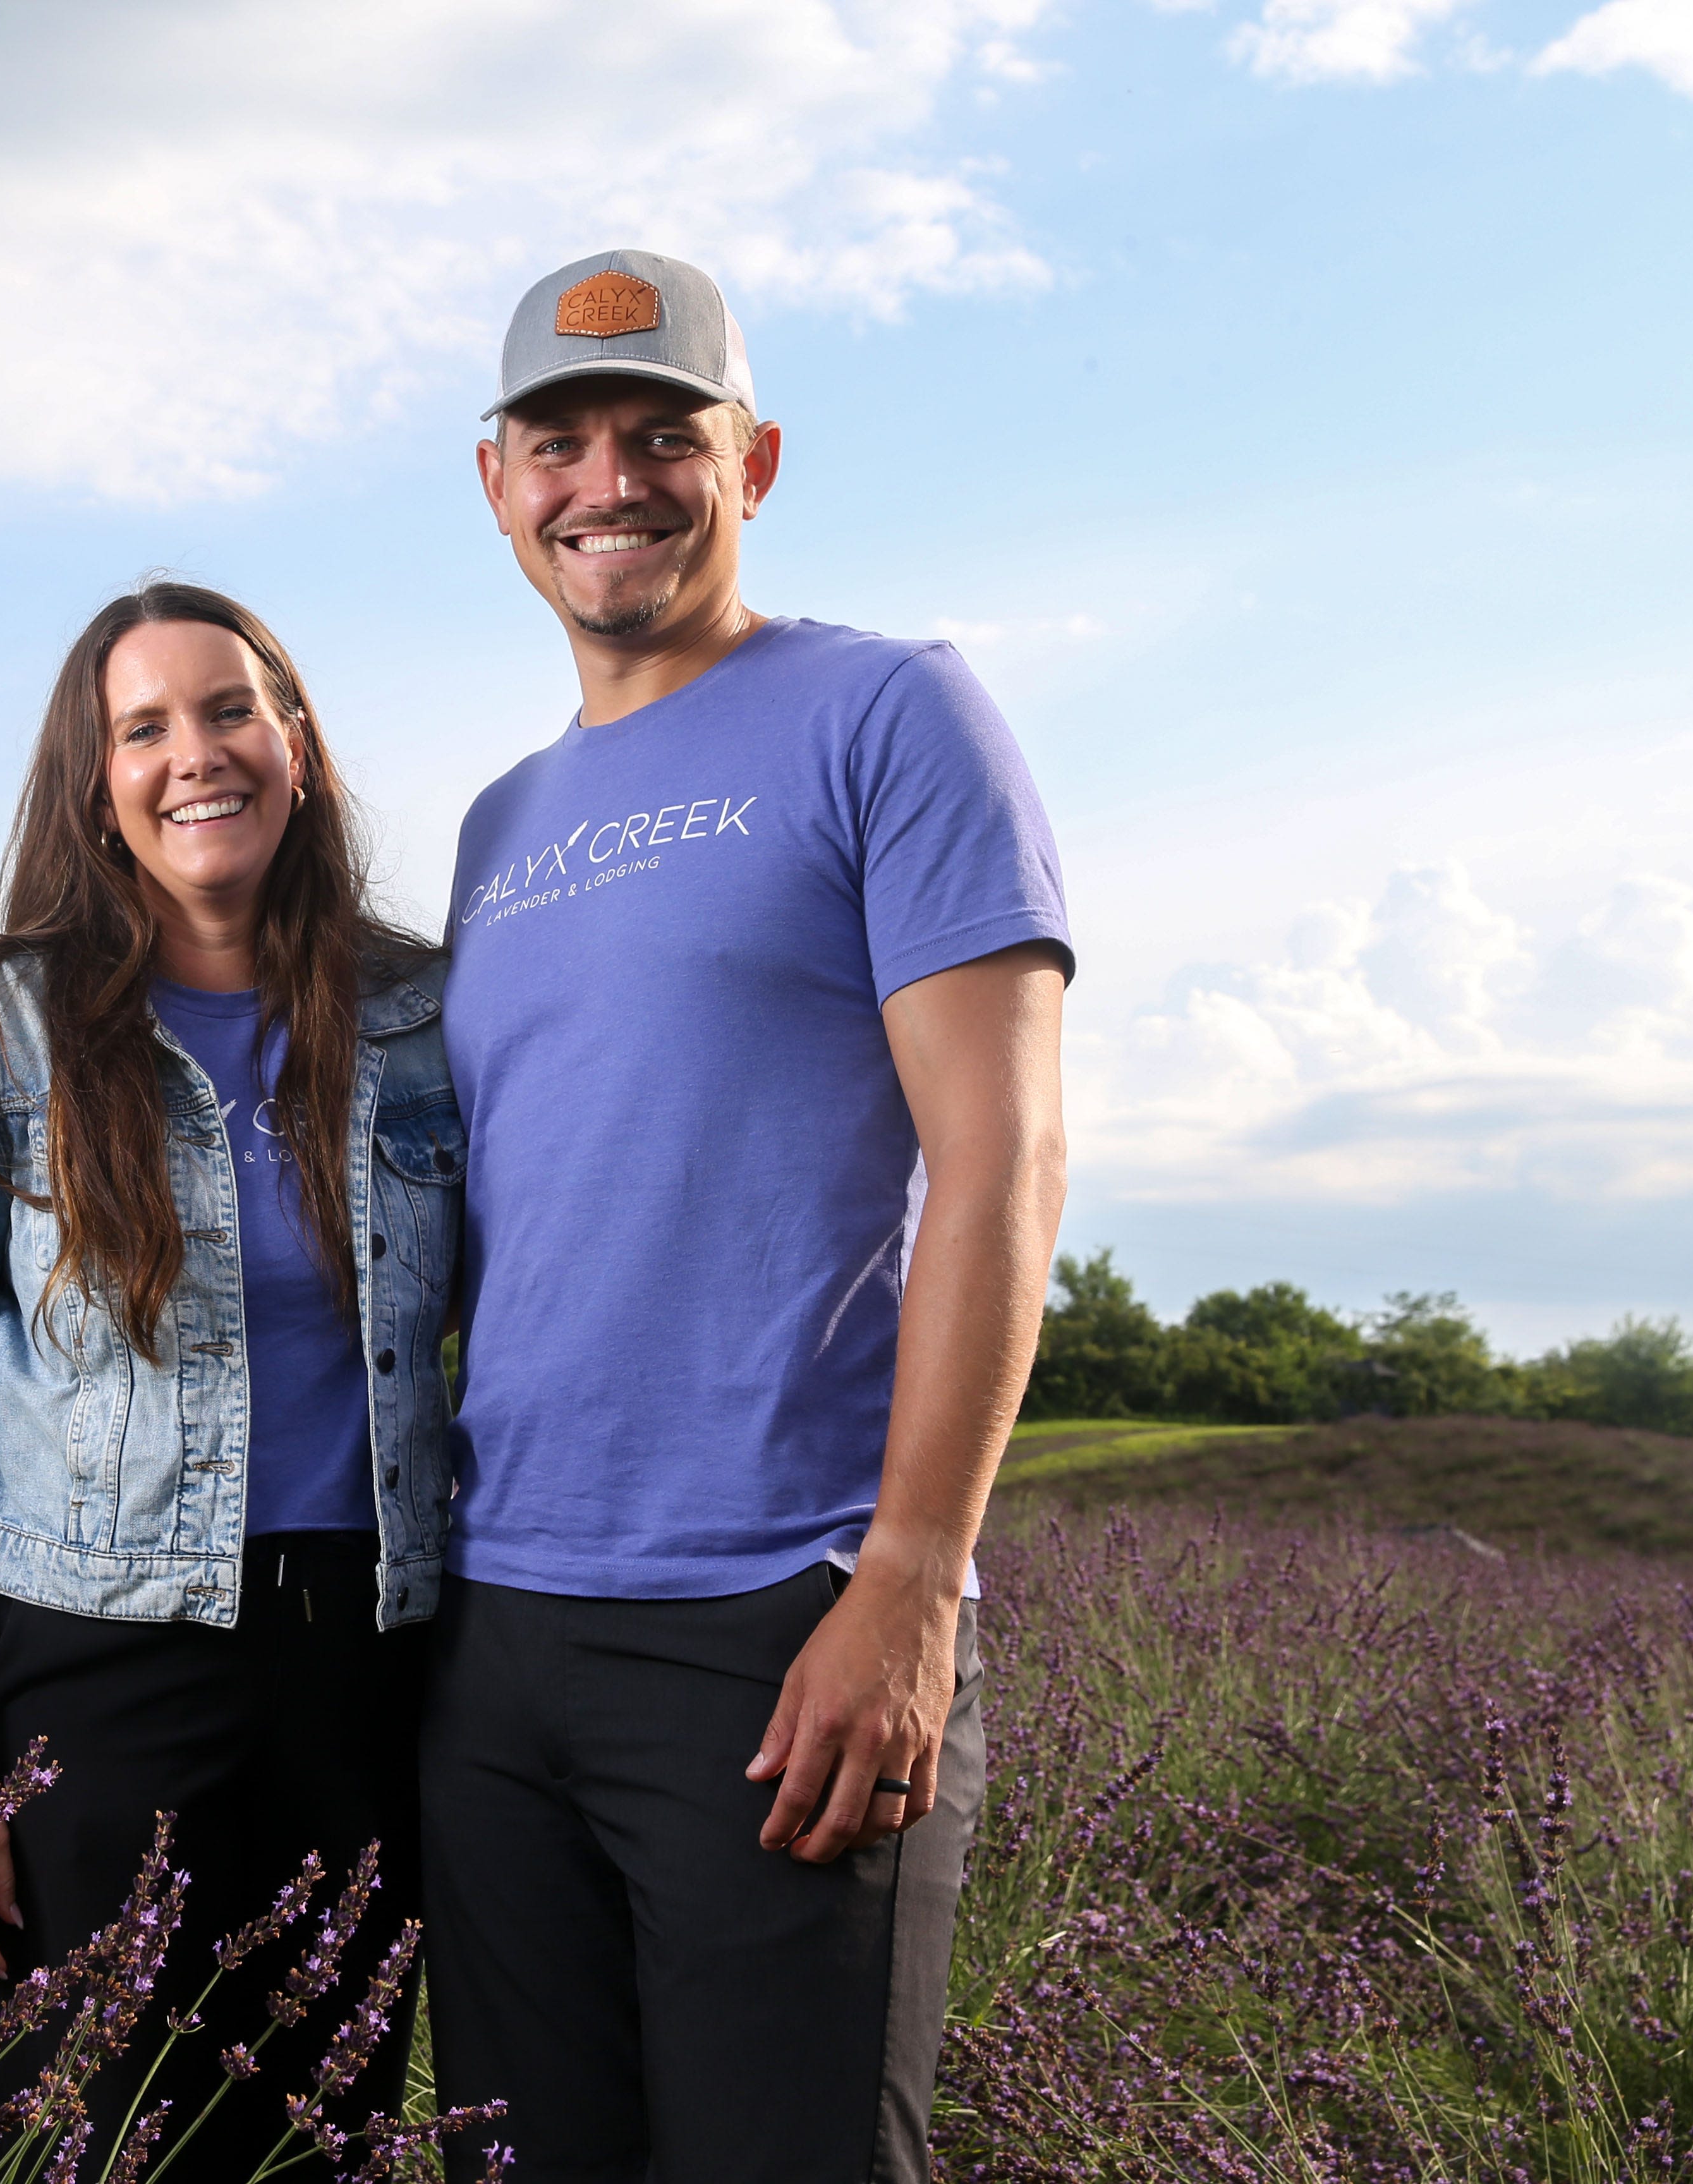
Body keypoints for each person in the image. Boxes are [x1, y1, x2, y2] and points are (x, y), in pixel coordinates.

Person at [419, 250, 1074, 2184]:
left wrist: (910, 1582)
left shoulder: (893, 711)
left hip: (775, 1629)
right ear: (497, 483)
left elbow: (1007, 1160)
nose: (605, 479)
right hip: (497, 1635)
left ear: (755, 458)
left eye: (660, 434)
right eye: (558, 441)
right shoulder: (498, 827)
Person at [0, 581, 463, 2180]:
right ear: (94, 784)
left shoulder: (424, 1018)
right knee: (80, 2137)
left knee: (319, 2135)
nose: (196, 755)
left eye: (230, 709)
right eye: (144, 728)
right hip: (95, 1671)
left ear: (294, 743)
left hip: (371, 1676)